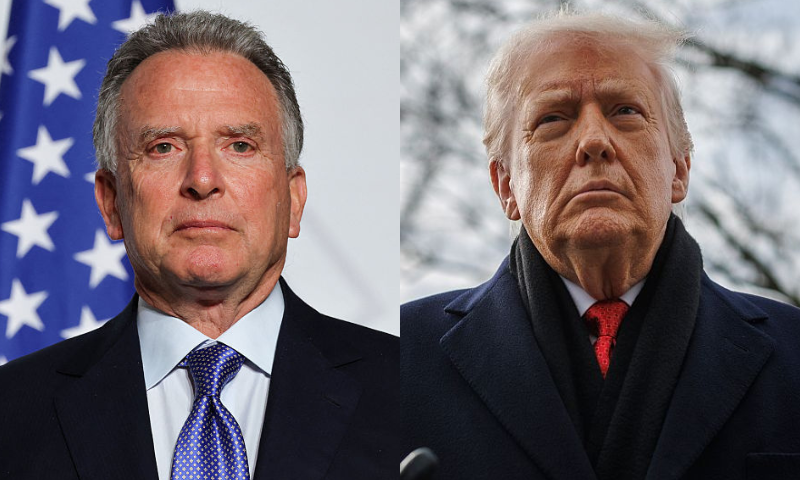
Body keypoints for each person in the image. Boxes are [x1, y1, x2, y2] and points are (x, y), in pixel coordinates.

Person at [401, 10, 800, 480]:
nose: (593, 141)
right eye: (553, 118)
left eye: (625, 111)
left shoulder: (791, 352)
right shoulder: (400, 360)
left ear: (679, 169)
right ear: (506, 185)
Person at [0, 11, 397, 480]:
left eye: (240, 146)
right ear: (110, 203)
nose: (202, 179)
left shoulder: (403, 393)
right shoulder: (11, 415)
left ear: (292, 199)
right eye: (164, 147)